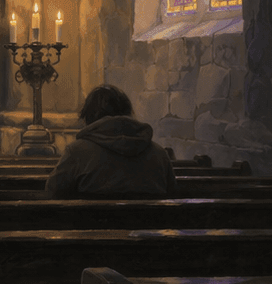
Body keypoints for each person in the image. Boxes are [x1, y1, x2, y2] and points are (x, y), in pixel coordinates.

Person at [46, 84, 176, 199]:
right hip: (150, 227)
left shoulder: (76, 152)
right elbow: (173, 196)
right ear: (127, 112)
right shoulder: (159, 154)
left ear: (89, 116)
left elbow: (53, 193)